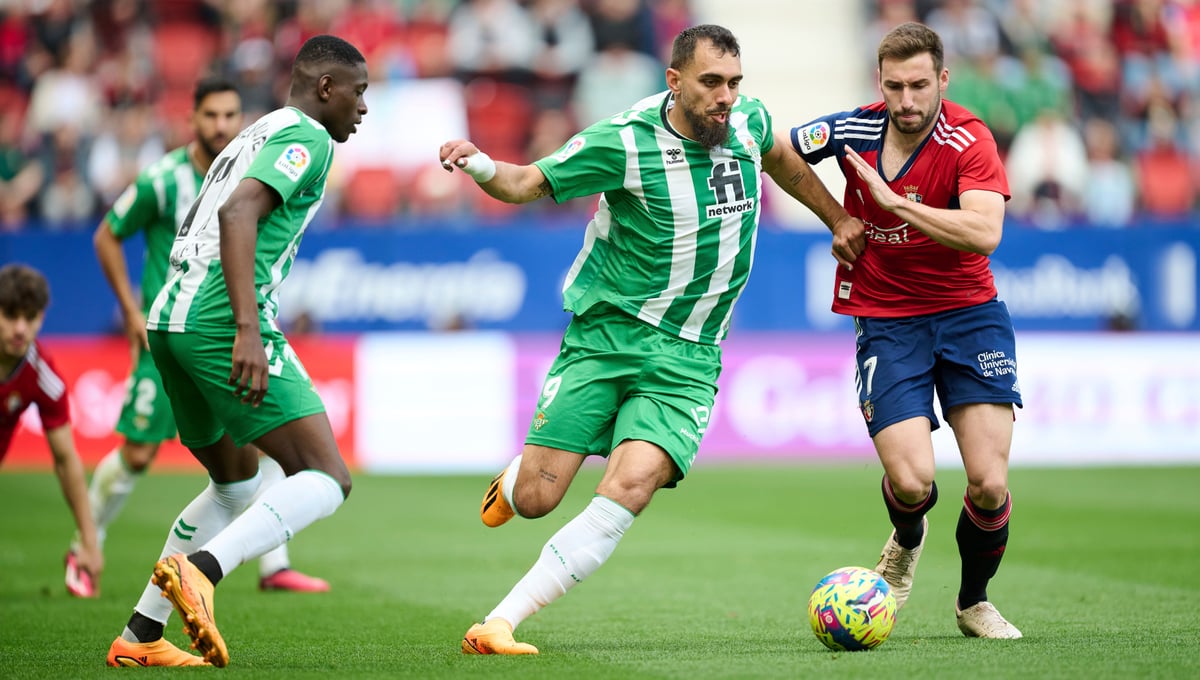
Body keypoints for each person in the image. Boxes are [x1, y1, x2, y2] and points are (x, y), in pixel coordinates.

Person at [440, 23, 858, 655]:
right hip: (607, 337)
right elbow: (525, 184)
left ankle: (499, 622)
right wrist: (478, 163)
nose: (725, 96)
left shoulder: (748, 121)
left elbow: (784, 162)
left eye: (734, 82)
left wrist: (839, 219)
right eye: (711, 82)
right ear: (674, 81)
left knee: (631, 485)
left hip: (690, 355)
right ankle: (524, 471)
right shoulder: (624, 141)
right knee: (535, 499)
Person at [104, 34, 367, 668]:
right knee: (327, 476)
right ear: (325, 87)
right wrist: (248, 327)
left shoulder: (260, 130)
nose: (363, 108)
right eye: (358, 92)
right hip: (220, 321)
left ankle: (140, 635)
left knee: (234, 483)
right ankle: (202, 569)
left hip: (170, 320)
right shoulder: (308, 138)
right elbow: (238, 213)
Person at [788, 21, 1023, 639]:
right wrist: (837, 216)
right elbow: (777, 151)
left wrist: (894, 204)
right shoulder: (851, 129)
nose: (907, 100)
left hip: (970, 315)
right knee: (912, 481)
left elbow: (985, 232)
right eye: (895, 86)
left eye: (919, 85)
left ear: (943, 79)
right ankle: (907, 537)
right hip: (888, 319)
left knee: (989, 483)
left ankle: (973, 603)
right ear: (880, 82)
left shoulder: (969, 139)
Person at [85, 76, 329, 596]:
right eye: (211, 115)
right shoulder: (165, 178)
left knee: (252, 463)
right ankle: (92, 541)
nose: (221, 125)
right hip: (192, 325)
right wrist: (130, 309)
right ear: (192, 118)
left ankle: (262, 569)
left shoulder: (246, 157)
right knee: (141, 454)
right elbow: (108, 233)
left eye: (229, 115)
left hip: (199, 325)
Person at [0, 263, 104, 598]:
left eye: (30, 318)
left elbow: (65, 459)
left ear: (42, 318)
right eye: (10, 316)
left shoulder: (43, 377)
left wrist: (89, 542)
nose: (20, 328)